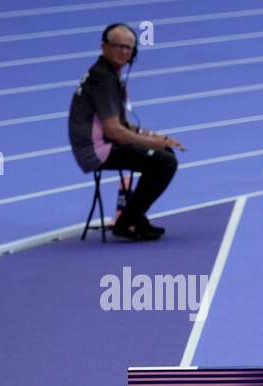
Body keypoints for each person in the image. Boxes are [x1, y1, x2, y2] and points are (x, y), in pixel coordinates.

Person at [68, 23, 184, 241]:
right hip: (97, 150)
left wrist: (154, 137)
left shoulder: (108, 75)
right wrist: (150, 144)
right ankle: (127, 222)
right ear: (104, 47)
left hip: (103, 143)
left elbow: (121, 124)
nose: (123, 51)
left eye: (128, 48)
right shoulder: (104, 80)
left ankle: (134, 217)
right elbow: (114, 131)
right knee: (165, 162)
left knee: (165, 153)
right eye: (118, 46)